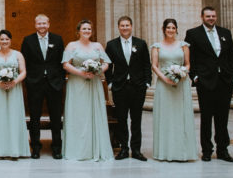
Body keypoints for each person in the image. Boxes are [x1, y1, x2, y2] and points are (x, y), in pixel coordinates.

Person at [186, 6, 233, 162]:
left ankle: (223, 150)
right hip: (205, 81)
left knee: (223, 118)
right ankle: (207, 151)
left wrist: (232, 75)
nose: (211, 18)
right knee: (206, 118)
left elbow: (231, 56)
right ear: (202, 17)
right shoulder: (193, 34)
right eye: (208, 16)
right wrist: (194, 77)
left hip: (224, 82)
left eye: (213, 16)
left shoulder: (225, 33)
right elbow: (189, 57)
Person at [61, 20, 112, 161]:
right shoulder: (72, 45)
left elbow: (107, 63)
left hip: (93, 83)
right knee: (79, 115)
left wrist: (97, 70)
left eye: (89, 29)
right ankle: (77, 150)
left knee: (92, 114)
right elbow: (65, 64)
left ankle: (94, 148)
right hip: (77, 84)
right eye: (84, 28)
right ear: (78, 31)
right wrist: (81, 73)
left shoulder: (97, 46)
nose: (87, 31)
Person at [104, 16, 151, 161]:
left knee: (136, 119)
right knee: (121, 119)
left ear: (131, 26)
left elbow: (146, 65)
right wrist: (111, 83)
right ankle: (124, 149)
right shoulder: (111, 45)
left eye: (127, 25)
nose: (125, 28)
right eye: (122, 25)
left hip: (138, 87)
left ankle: (136, 150)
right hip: (120, 87)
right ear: (118, 27)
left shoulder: (141, 43)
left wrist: (147, 83)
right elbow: (108, 66)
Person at [150, 18, 197, 161]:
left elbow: (188, 64)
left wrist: (182, 73)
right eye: (168, 27)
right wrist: (165, 79)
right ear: (163, 29)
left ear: (176, 29)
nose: (171, 30)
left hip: (180, 84)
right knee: (166, 116)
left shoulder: (184, 45)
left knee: (180, 117)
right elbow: (154, 65)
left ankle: (182, 152)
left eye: (173, 28)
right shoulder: (156, 46)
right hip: (164, 85)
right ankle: (165, 151)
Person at [19, 14, 65, 159]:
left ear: (49, 24)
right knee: (34, 117)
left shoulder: (58, 39)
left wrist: (60, 80)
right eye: (39, 23)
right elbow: (24, 61)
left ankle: (57, 147)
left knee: (56, 117)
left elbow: (61, 61)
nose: (42, 26)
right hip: (35, 83)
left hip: (54, 84)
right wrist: (29, 80)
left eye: (44, 23)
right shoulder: (28, 40)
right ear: (35, 25)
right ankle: (36, 147)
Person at [0, 30, 30, 159]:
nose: (4, 41)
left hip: (14, 88)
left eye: (7, 39)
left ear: (10, 40)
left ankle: (15, 150)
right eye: (2, 39)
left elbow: (23, 71)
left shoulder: (18, 54)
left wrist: (14, 81)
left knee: (14, 117)